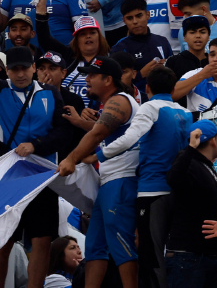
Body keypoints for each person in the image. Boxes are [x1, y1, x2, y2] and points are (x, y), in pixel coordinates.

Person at [97, 66, 190, 288]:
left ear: (147, 88)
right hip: (177, 191)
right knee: (172, 253)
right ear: (173, 89)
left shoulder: (150, 107)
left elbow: (129, 139)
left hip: (151, 191)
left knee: (151, 255)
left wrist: (100, 154)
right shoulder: (185, 112)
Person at [56, 58, 140, 288]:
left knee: (122, 244)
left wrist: (71, 159)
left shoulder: (119, 101)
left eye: (92, 75)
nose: (87, 80)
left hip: (122, 180)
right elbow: (98, 128)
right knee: (94, 248)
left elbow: (97, 134)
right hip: (110, 181)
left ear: (108, 79)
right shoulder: (112, 104)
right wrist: (78, 123)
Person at [0, 47, 73, 288]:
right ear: (7, 71)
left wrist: (36, 145)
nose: (20, 74)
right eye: (14, 69)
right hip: (10, 177)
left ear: (34, 68)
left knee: (42, 240)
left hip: (42, 176)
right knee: (3, 240)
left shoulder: (51, 93)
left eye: (25, 68)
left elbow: (63, 132)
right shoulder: (0, 91)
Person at [165, 121, 217, 288]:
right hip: (189, 258)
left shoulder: (205, 166)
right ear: (213, 141)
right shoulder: (187, 160)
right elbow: (174, 179)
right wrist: (191, 148)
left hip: (212, 256)